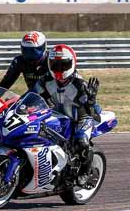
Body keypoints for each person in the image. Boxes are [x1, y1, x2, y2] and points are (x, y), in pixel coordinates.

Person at [33, 44, 101, 185]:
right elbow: (31, 95)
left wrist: (91, 100)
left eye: (63, 65)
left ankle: (85, 171)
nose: (59, 69)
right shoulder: (45, 80)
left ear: (72, 63)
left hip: (80, 118)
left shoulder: (80, 84)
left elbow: (95, 112)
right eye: (55, 65)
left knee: (81, 141)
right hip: (56, 115)